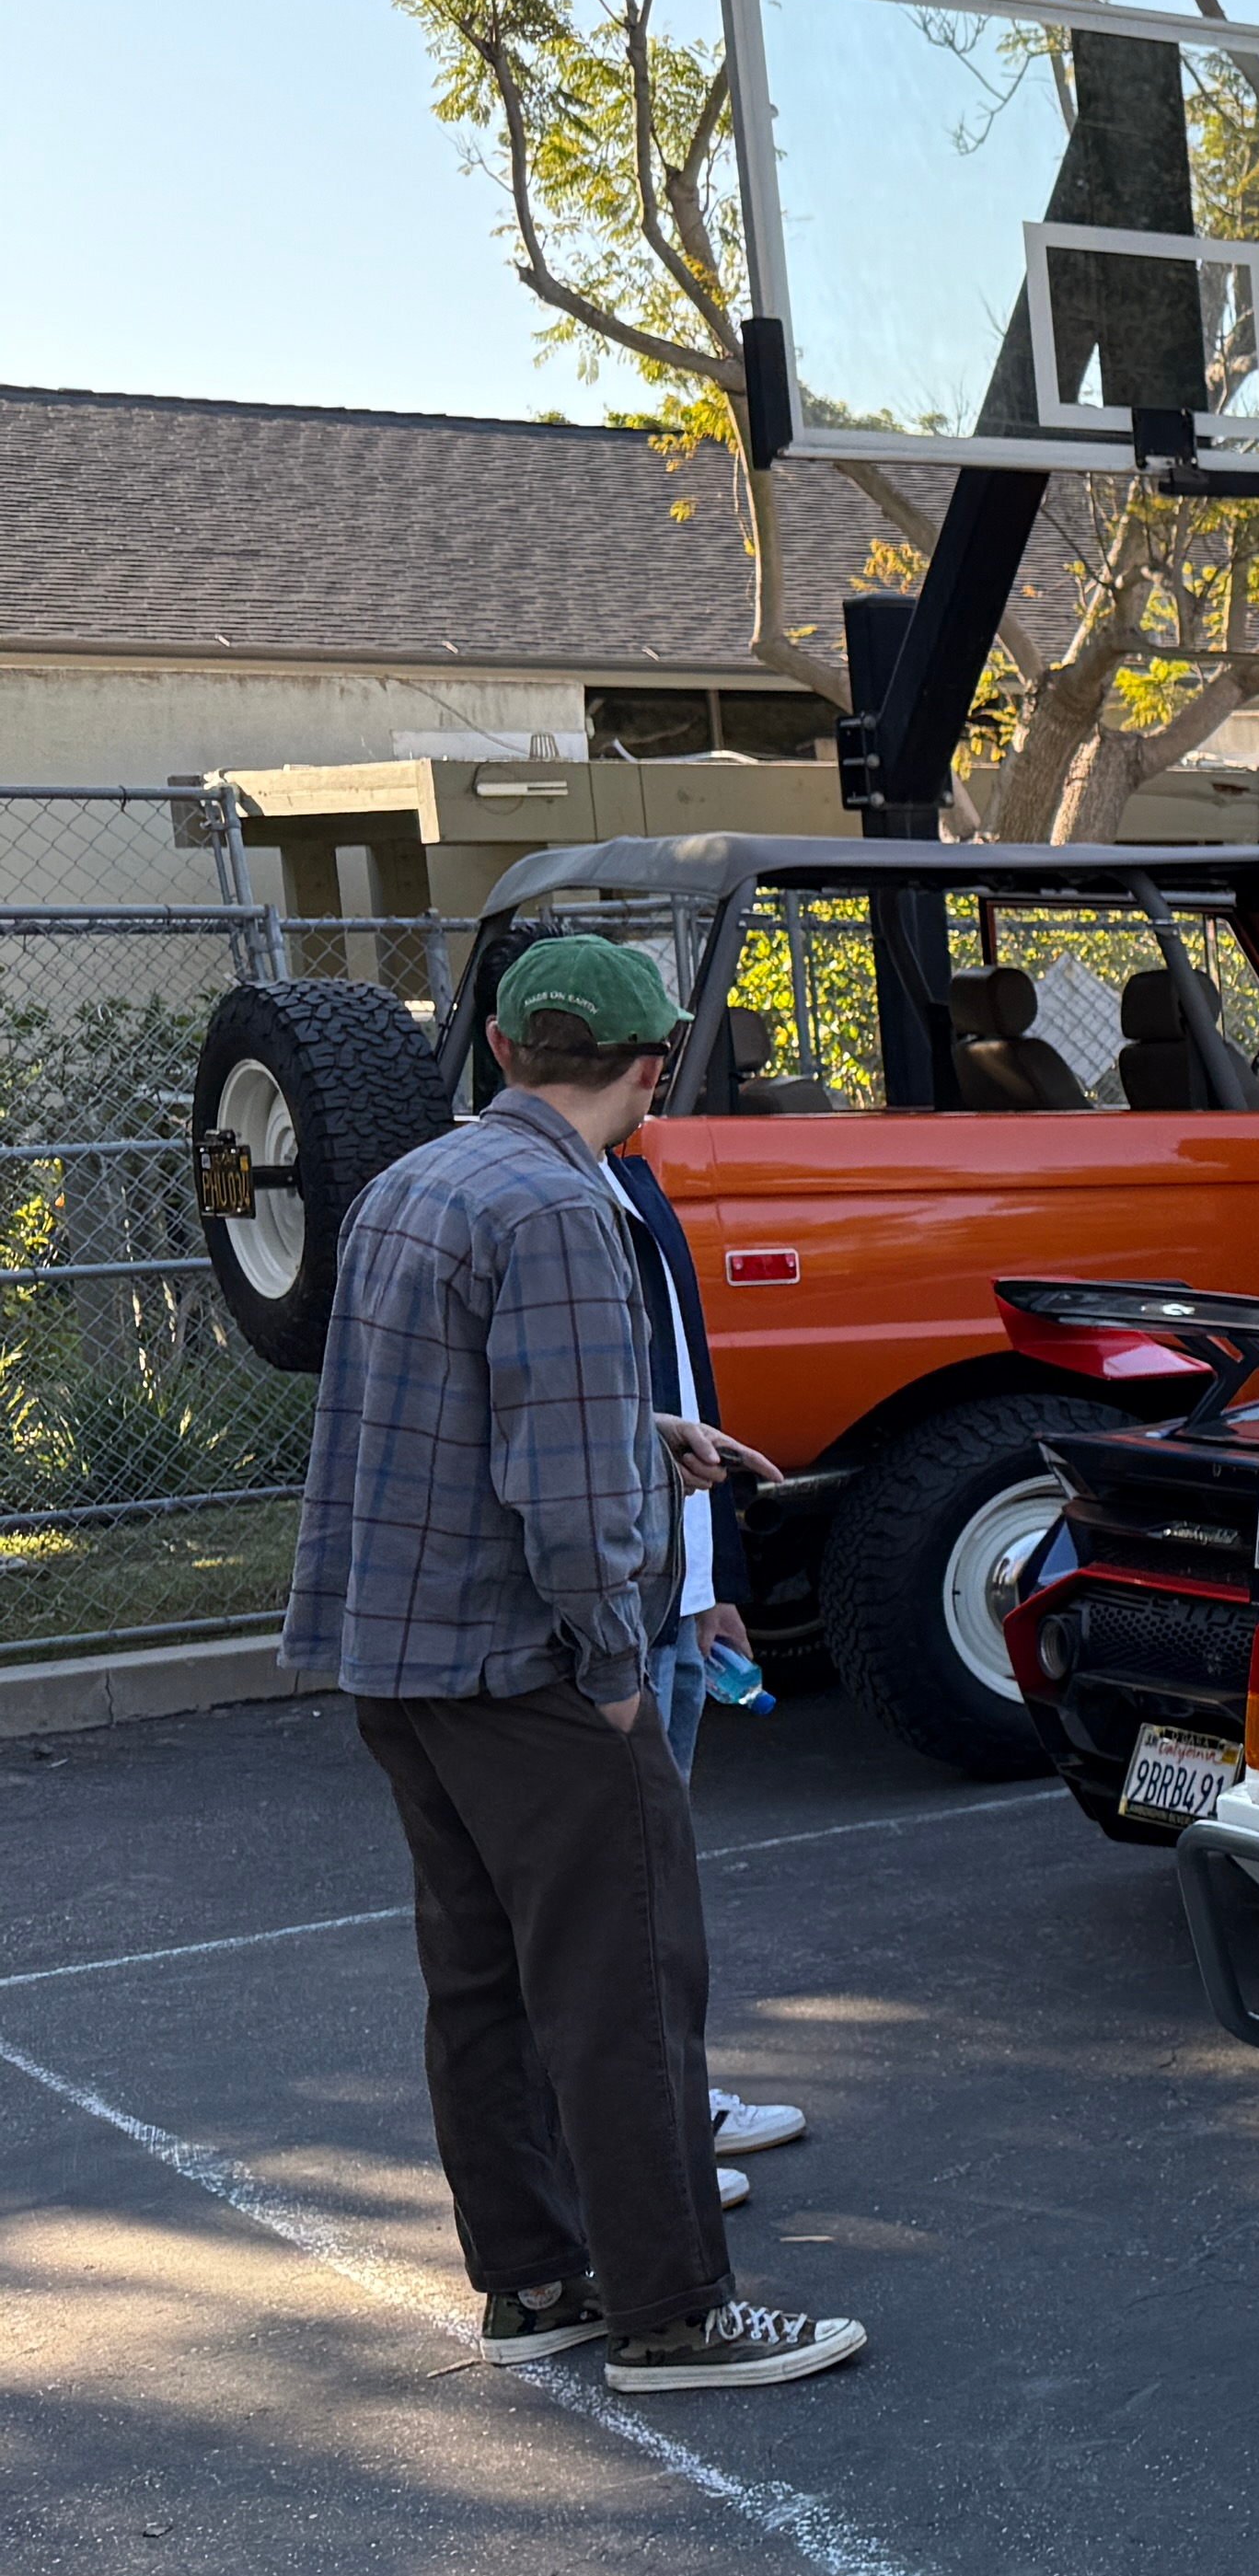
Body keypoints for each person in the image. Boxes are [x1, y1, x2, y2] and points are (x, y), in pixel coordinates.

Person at [281, 934, 867, 2396]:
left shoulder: (417, 1183)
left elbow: (444, 1414)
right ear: (652, 1067)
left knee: (479, 1982)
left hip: (399, 1659)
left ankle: (534, 2278)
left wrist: (648, 1438)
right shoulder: (562, 1209)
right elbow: (556, 1490)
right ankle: (676, 2312)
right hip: (529, 1672)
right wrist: (616, 1664)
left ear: (496, 1045)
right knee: (627, 1988)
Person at [603, 1131, 812, 2177]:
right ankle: (644, 2147)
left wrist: (711, 1581)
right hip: (616, 1619)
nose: (655, 1067)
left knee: (660, 1887)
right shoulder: (547, 1197)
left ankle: (676, 2106)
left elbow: (687, 1387)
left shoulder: (633, 1179)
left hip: (674, 1599)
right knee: (620, 1895)